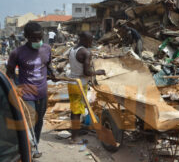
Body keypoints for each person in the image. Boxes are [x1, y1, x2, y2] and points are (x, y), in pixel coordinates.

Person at [6, 22, 56, 158]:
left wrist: (53, 72)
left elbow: (48, 64)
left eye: (40, 38)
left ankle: (35, 144)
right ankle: (31, 149)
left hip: (42, 92)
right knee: (30, 122)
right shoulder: (17, 53)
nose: (37, 41)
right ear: (27, 36)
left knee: (39, 121)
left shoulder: (46, 49)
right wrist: (14, 88)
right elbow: (9, 73)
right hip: (27, 94)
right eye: (34, 38)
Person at [68, 31, 106, 144]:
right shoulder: (86, 52)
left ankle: (74, 133)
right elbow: (87, 72)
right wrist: (98, 72)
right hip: (79, 84)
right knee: (76, 112)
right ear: (84, 40)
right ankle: (74, 138)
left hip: (71, 82)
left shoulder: (72, 49)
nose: (91, 42)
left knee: (75, 109)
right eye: (90, 40)